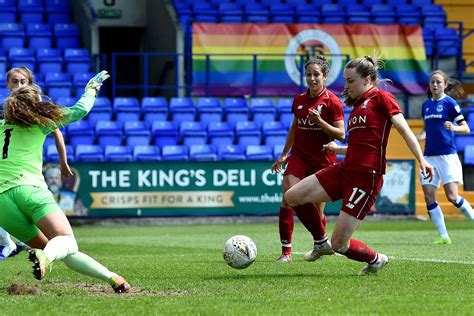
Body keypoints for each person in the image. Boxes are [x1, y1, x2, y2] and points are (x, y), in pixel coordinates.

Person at [284, 55, 435, 275]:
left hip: (366, 177)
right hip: (345, 169)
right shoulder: (356, 108)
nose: (346, 86)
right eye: (345, 80)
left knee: (340, 245)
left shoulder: (383, 98)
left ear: (367, 79)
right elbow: (360, 146)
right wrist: (339, 150)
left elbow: (404, 130)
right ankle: (320, 241)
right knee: (292, 196)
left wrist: (421, 159)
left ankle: (376, 259)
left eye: (350, 81)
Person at [0, 71, 130, 293]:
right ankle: (45, 256)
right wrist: (92, 89)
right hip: (30, 190)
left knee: (61, 249)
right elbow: (80, 110)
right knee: (66, 243)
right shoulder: (41, 123)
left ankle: (113, 278)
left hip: (2, 204)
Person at [271, 56, 345, 263]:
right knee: (288, 195)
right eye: (308, 74)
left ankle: (319, 244)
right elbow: (294, 128)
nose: (312, 79)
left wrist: (320, 122)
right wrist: (284, 154)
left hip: (323, 159)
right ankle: (286, 252)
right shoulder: (299, 100)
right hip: (300, 156)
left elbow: (341, 134)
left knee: (315, 207)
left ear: (325, 76)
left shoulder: (332, 102)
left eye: (316, 75)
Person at [0, 67, 74, 260]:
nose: (19, 85)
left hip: (26, 168)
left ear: (29, 84)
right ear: (7, 84)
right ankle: (12, 242)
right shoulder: (4, 107)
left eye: (23, 81)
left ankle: (20, 243)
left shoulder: (36, 105)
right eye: (15, 81)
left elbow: (56, 131)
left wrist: (63, 161)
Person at [419, 70, 473, 245]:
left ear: (445, 85)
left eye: (438, 82)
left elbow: (466, 128)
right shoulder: (426, 105)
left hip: (447, 156)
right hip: (429, 157)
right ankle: (443, 236)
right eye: (432, 82)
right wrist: (419, 137)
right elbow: (426, 128)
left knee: (452, 197)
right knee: (429, 196)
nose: (435, 85)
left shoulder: (450, 103)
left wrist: (454, 127)